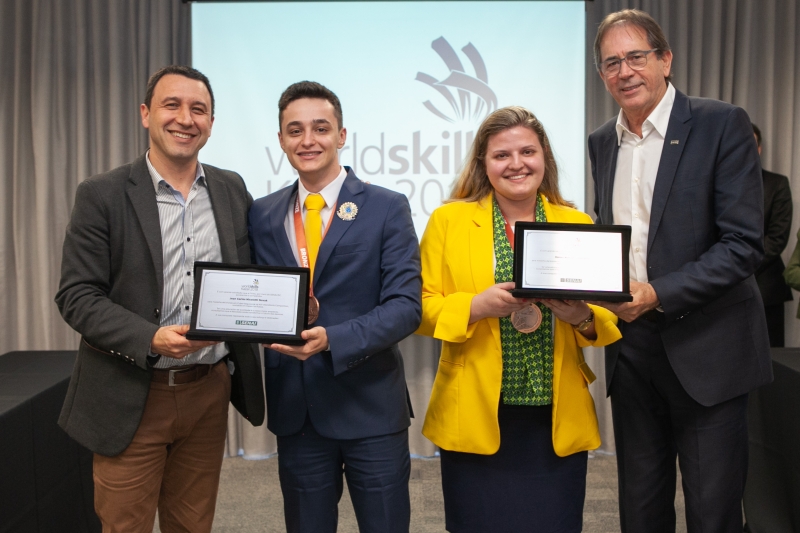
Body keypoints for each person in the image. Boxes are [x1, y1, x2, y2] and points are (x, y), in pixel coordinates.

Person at [55, 65, 265, 533]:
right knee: (125, 526)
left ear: (211, 122)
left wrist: (287, 310)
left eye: (199, 109)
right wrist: (150, 338)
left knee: (192, 525)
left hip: (209, 389)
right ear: (146, 114)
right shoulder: (102, 194)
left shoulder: (231, 188)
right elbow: (76, 296)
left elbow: (246, 279)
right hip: (130, 390)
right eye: (172, 105)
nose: (185, 119)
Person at [588, 9, 772, 533]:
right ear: (602, 75)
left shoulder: (720, 122)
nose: (624, 71)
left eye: (636, 57)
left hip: (708, 347)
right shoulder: (603, 140)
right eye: (611, 63)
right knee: (640, 510)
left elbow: (742, 245)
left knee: (712, 513)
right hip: (633, 351)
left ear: (666, 60)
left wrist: (656, 292)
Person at [417, 106, 621, 533]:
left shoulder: (575, 221)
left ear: (544, 156)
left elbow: (601, 315)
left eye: (527, 151)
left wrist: (581, 316)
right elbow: (418, 307)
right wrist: (475, 307)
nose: (516, 164)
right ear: (482, 163)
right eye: (501, 155)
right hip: (476, 409)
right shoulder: (448, 221)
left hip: (554, 415)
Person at [248, 81, 421, 533]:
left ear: (342, 135)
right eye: (295, 130)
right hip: (297, 410)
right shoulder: (262, 214)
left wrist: (334, 340)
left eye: (320, 128)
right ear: (282, 139)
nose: (308, 140)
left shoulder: (386, 207)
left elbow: (406, 306)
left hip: (369, 407)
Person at [751, 123, 793, 347]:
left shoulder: (777, 184)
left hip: (766, 287)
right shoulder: (713, 182)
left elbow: (777, 238)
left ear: (759, 149)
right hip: (720, 290)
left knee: (772, 360)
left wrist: (737, 266)